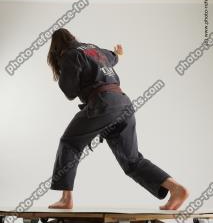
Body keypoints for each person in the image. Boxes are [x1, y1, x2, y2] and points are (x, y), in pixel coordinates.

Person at [47, 28, 189, 210]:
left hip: (102, 104)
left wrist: (63, 66)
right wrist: (119, 53)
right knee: (132, 161)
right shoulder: (95, 49)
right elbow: (113, 57)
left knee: (70, 144)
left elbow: (69, 92)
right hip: (123, 103)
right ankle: (175, 188)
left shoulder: (70, 55)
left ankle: (66, 199)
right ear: (73, 38)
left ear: (57, 48)